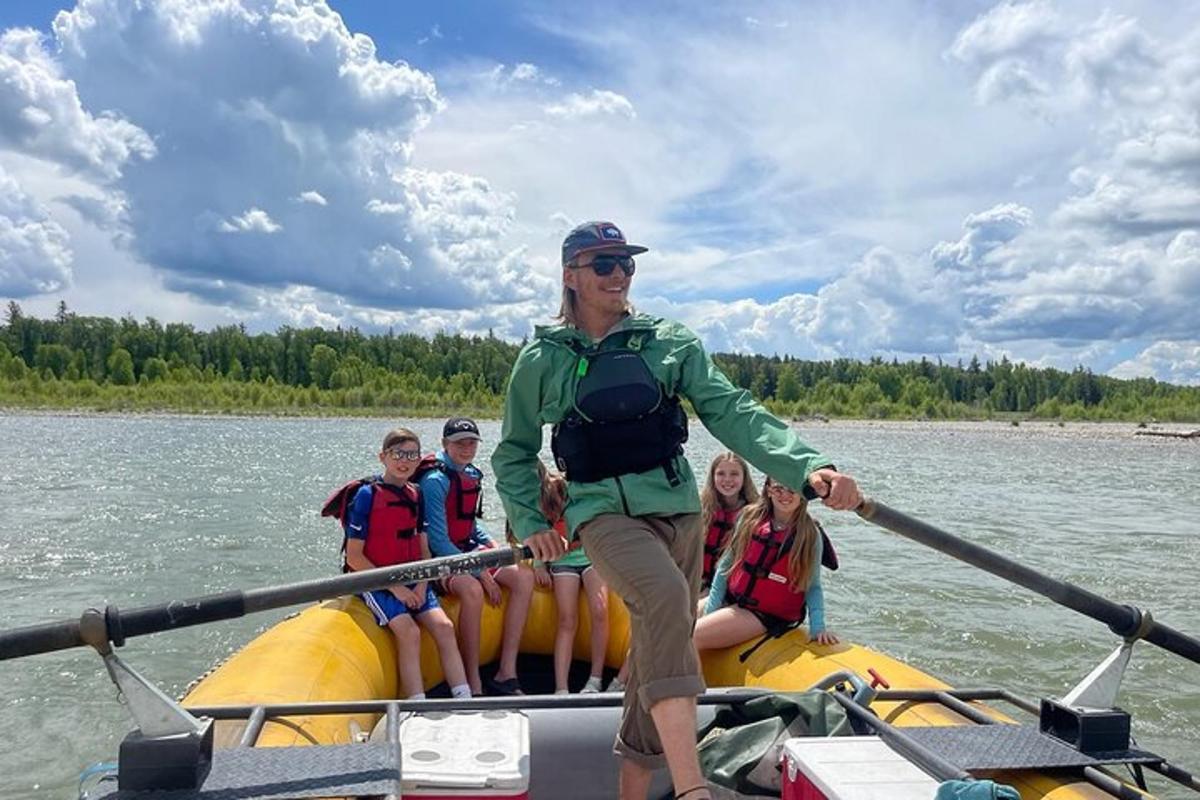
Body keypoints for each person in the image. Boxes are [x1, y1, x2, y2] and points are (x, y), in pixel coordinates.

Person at [492, 220, 862, 800]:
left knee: (651, 655)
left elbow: (733, 410)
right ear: (570, 276)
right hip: (600, 517)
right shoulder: (542, 359)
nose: (619, 275)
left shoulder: (669, 341)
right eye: (604, 264)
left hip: (678, 515)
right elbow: (514, 452)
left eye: (627, 264)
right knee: (667, 599)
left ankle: (631, 792)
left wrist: (807, 466)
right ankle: (692, 789)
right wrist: (534, 523)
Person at [340, 428, 472, 700]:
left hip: (414, 577)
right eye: (398, 454)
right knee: (408, 631)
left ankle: (464, 697)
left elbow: (424, 550)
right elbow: (354, 557)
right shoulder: (367, 495)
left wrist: (422, 586)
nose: (405, 461)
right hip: (374, 580)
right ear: (383, 457)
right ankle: (416, 704)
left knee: (445, 628)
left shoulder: (417, 494)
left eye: (412, 455)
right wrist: (397, 588)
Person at [419, 417, 535, 696]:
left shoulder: (471, 474)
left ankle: (507, 671)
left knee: (523, 577)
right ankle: (473, 680)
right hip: (439, 558)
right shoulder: (434, 481)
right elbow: (438, 540)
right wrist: (481, 571)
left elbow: (469, 525)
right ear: (445, 444)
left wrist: (494, 549)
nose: (466, 447)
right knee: (472, 590)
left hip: (467, 551)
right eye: (459, 443)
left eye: (471, 442)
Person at [694, 476, 839, 652]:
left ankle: (687, 679)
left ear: (803, 494)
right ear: (768, 490)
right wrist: (712, 610)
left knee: (691, 637)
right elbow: (725, 567)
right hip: (732, 598)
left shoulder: (810, 535)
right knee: (672, 625)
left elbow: (813, 585)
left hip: (764, 614)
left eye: (792, 490)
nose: (784, 495)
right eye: (778, 488)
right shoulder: (749, 518)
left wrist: (818, 627)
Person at [530, 462, 610, 695]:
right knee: (567, 619)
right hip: (562, 560)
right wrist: (538, 564)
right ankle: (561, 687)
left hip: (589, 556)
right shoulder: (530, 502)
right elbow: (533, 532)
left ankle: (595, 679)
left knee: (600, 608)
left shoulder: (563, 486)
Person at [698, 452, 759, 611]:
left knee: (689, 613)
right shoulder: (701, 509)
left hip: (728, 591)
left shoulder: (755, 514)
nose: (727, 480)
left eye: (734, 474)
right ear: (712, 477)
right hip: (699, 583)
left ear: (744, 478)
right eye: (721, 474)